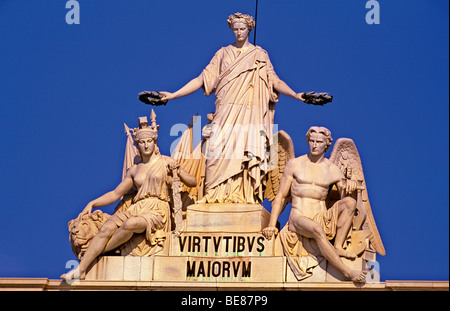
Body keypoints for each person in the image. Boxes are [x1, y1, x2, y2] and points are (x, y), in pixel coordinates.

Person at [145, 12, 308, 204]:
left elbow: (275, 81)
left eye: (243, 29)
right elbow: (201, 79)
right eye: (236, 29)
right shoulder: (222, 53)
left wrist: (297, 95)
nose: (239, 33)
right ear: (232, 29)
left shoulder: (260, 55)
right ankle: (213, 196)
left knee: (245, 151)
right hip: (224, 111)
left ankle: (244, 196)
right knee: (215, 149)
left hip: (249, 112)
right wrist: (173, 95)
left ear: (249, 29)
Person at [61, 119, 196, 280]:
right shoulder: (134, 170)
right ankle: (81, 269)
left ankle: (100, 250)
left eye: (149, 141)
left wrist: (178, 170)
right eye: (142, 142)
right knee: (106, 228)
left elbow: (193, 182)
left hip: (157, 209)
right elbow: (115, 194)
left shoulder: (166, 162)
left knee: (130, 224)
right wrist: (92, 203)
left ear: (154, 143)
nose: (146, 145)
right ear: (137, 145)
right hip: (136, 208)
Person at [262, 126, 367, 282]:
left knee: (349, 203)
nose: (314, 145)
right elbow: (281, 197)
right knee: (317, 229)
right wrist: (271, 224)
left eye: (319, 142)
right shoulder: (294, 164)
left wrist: (350, 184)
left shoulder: (333, 169)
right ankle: (346, 272)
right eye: (311, 141)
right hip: (298, 218)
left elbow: (343, 195)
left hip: (320, 217)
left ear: (326, 144)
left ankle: (337, 246)